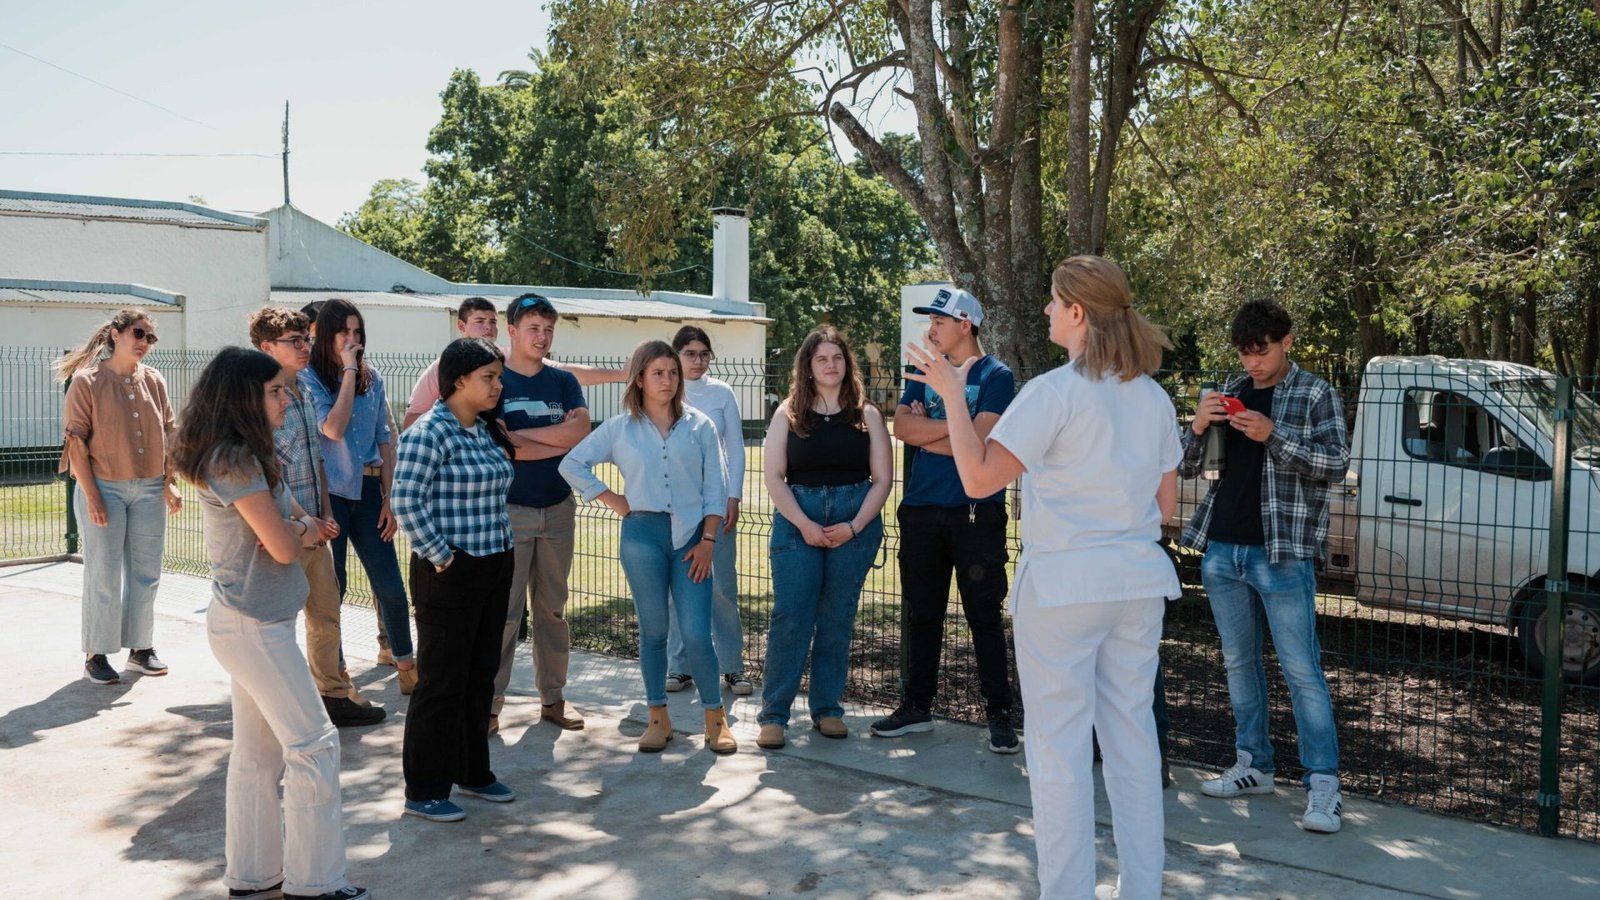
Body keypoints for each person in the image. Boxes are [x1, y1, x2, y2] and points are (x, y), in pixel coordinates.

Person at [905, 257, 1180, 900]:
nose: (1047, 312)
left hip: (1065, 588)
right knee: (1133, 746)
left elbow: (977, 480)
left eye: (1055, 303)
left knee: (1057, 755)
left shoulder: (1055, 392)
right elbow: (1166, 510)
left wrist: (949, 392)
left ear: (1078, 312)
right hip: (1138, 585)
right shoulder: (1154, 396)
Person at [172, 346, 367, 900]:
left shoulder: (245, 454)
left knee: (258, 756)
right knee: (315, 746)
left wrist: (299, 522)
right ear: (243, 398)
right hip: (250, 624)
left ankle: (254, 878)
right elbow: (284, 545)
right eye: (277, 390)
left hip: (256, 622)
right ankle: (317, 883)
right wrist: (304, 531)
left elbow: (291, 518)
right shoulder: (232, 459)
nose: (289, 397)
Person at [1179, 299, 1349, 834]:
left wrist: (1272, 434)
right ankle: (1254, 765)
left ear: (1286, 342)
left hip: (1282, 553)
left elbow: (1336, 464)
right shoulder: (1232, 389)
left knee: (1302, 670)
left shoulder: (1315, 392)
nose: (1253, 363)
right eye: (1246, 353)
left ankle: (1323, 787)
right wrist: (1200, 426)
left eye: (1263, 351)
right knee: (1237, 664)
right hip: (1223, 550)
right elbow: (1188, 466)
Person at [560, 340, 735, 754]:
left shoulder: (700, 426)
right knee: (654, 630)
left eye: (673, 372)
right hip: (642, 536)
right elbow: (571, 463)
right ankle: (658, 717)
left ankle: (715, 718)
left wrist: (709, 540)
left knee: (695, 631)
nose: (669, 380)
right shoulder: (621, 427)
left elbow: (717, 488)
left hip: (693, 538)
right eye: (658, 372)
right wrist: (613, 499)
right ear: (639, 378)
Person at [873, 287, 1019, 753]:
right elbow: (903, 429)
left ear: (965, 325)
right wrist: (955, 432)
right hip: (921, 511)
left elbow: (982, 439)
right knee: (922, 612)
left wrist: (938, 435)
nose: (931, 328)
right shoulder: (926, 372)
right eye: (929, 320)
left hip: (978, 512)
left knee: (984, 616)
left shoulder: (998, 375)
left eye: (939, 320)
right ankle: (916, 707)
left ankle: (1000, 716)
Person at [391, 338, 519, 823]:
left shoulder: (483, 428)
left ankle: (473, 772)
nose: (497, 385)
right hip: (451, 571)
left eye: (498, 377)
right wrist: (443, 557)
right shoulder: (431, 432)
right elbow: (406, 501)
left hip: (493, 565)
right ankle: (424, 788)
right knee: (442, 682)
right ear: (458, 381)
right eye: (488, 377)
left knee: (479, 674)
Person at [755, 326, 892, 749]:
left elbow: (883, 480)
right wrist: (804, 524)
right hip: (799, 519)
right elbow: (774, 477)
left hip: (855, 520)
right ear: (808, 366)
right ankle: (774, 715)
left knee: (836, 618)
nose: (831, 365)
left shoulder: (866, 414)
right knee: (791, 616)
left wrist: (854, 526)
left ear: (846, 364)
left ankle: (827, 709)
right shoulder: (789, 414)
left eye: (837, 357)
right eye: (821, 359)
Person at [250, 307, 385, 727]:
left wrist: (325, 512)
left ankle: (332, 696)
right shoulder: (256, 401)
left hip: (315, 530)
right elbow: (262, 473)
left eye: (305, 339)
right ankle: (278, 705)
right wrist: (299, 521)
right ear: (266, 347)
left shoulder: (305, 393)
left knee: (326, 614)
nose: (305, 347)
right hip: (281, 534)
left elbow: (318, 460)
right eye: (295, 341)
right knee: (277, 626)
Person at [57, 308, 182, 685]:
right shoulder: (87, 381)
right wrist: (92, 496)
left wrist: (169, 481)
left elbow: (169, 433)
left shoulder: (155, 380)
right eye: (139, 334)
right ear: (116, 334)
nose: (145, 343)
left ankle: (140, 649)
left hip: (148, 489)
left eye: (150, 337)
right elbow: (76, 443)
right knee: (105, 573)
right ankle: (96, 653)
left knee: (147, 575)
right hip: (104, 488)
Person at [300, 299, 417, 693]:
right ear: (325, 336)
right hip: (329, 496)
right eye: (344, 333)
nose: (352, 340)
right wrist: (349, 371)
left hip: (369, 491)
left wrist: (389, 498)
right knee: (334, 589)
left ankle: (405, 663)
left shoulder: (374, 377)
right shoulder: (309, 379)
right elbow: (332, 429)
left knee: (391, 586)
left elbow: (385, 438)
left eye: (357, 333)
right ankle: (335, 673)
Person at [487, 293, 592, 734]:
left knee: (552, 611)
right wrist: (555, 437)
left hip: (558, 509)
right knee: (505, 613)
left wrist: (525, 437)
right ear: (511, 331)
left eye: (548, 329)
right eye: (533, 328)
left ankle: (553, 699)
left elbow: (581, 431)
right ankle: (489, 706)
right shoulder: (495, 381)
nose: (542, 337)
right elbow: (499, 446)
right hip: (510, 512)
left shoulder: (563, 380)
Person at [665, 325, 751, 697]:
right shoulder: (666, 392)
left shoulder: (721, 393)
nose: (697, 360)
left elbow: (735, 447)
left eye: (703, 353)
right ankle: (679, 667)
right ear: (675, 356)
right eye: (689, 353)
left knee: (721, 588)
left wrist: (733, 496)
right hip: (675, 507)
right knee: (676, 588)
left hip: (716, 505)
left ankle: (732, 667)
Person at [402, 295, 625, 430]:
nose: (488, 327)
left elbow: (567, 371)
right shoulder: (443, 366)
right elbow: (412, 420)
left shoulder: (506, 358)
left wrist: (622, 375)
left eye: (492, 321)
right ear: (462, 326)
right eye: (480, 321)